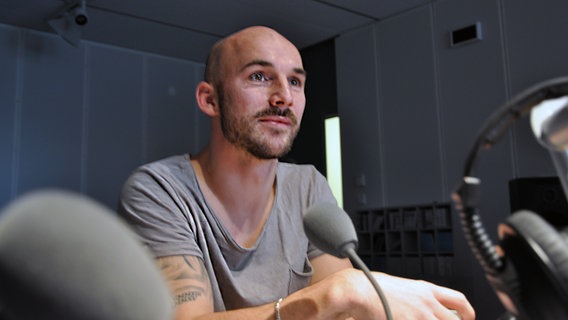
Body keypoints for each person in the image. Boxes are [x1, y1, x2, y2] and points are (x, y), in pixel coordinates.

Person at [117, 25, 475, 320]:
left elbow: (342, 313)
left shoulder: (308, 185)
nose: (283, 97)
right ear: (210, 99)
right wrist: (340, 293)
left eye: (296, 82)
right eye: (260, 76)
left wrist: (351, 297)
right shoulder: (159, 189)